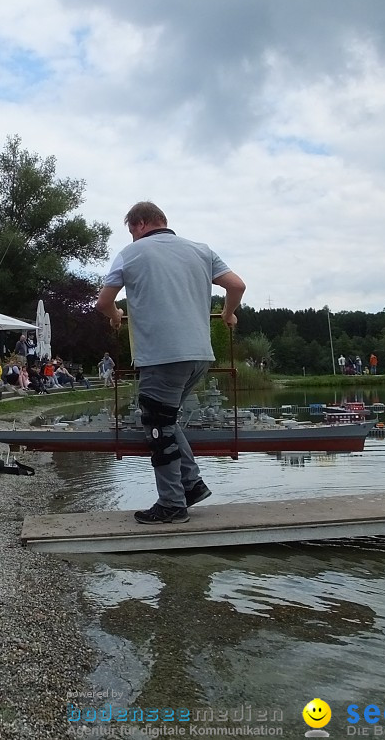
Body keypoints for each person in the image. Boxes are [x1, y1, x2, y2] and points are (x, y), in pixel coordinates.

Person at [95, 201, 245, 526]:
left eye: (132, 231)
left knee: (156, 426)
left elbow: (103, 302)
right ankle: (191, 485)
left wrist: (116, 316)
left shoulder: (131, 253)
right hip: (200, 356)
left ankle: (172, 505)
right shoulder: (201, 250)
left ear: (139, 225)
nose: (134, 237)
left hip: (162, 357)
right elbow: (237, 285)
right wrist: (229, 313)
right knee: (166, 419)